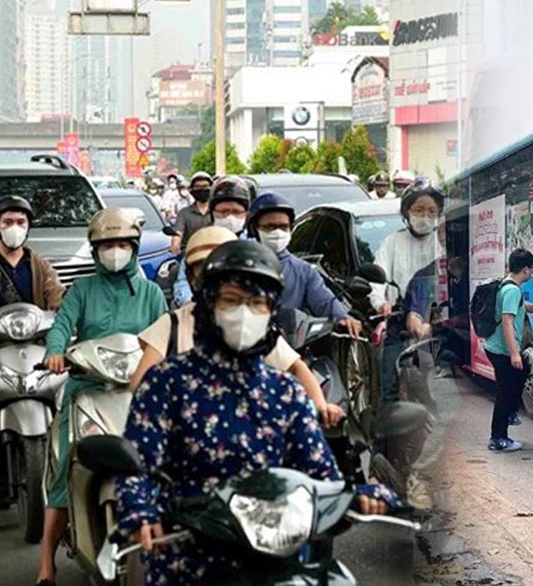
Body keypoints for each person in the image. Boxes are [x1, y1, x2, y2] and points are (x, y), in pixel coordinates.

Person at [114, 240, 396, 585]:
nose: (244, 313)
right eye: (231, 300)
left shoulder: (285, 393)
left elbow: (321, 475)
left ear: (271, 312)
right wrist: (139, 509)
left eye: (257, 304)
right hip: (187, 554)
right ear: (208, 305)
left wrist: (357, 496)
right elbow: (137, 462)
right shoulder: (166, 383)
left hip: (276, 555)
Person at [35, 208, 167, 586]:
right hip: (88, 388)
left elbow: (165, 332)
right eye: (107, 244)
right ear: (95, 250)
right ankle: (46, 559)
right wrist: (55, 352)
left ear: (134, 247)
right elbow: (62, 326)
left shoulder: (151, 292)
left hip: (138, 391)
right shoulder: (82, 290)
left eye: (122, 243)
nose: (115, 250)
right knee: (64, 467)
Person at [131, 226, 345, 428]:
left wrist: (319, 405)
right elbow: (141, 384)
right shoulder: (173, 324)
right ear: (191, 278)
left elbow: (296, 367)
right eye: (205, 271)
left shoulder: (253, 326)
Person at [246, 192, 362, 338]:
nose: (277, 232)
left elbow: (324, 301)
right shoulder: (240, 265)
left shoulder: (304, 271)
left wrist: (343, 318)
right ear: (253, 228)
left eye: (283, 227)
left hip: (291, 346)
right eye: (270, 227)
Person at [370, 177, 444, 404]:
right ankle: (386, 431)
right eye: (419, 210)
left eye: (432, 211)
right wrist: (381, 302)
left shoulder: (443, 242)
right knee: (388, 379)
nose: (425, 216)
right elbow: (377, 278)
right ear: (406, 211)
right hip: (398, 320)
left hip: (436, 323)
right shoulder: (392, 243)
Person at [484, 249, 533, 453]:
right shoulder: (512, 290)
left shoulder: (508, 285)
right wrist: (514, 354)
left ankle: (510, 413)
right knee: (505, 393)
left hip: (496, 347)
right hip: (501, 350)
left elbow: (521, 307)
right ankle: (498, 438)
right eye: (532, 269)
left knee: (520, 375)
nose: (532, 273)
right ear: (524, 269)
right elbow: (507, 322)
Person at [172, 176, 251, 307]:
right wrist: (195, 306)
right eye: (223, 211)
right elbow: (182, 283)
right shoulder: (201, 241)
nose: (230, 217)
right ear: (213, 212)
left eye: (236, 212)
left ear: (246, 214)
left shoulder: (254, 246)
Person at [0, 196, 64, 310]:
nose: (14, 228)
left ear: (28, 226)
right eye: (7, 222)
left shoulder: (40, 265)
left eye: (20, 222)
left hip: (34, 326)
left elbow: (56, 294)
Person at [168, 171, 213, 255]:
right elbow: (178, 233)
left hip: (214, 255)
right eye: (198, 187)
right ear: (192, 190)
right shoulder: (184, 213)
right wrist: (175, 245)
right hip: (190, 255)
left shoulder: (217, 211)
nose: (202, 190)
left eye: (205, 186)